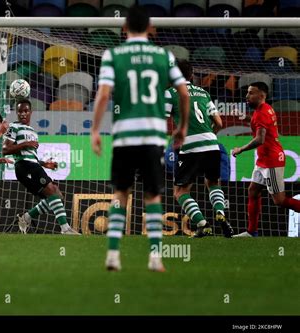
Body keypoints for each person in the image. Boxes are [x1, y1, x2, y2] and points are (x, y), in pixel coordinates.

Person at [91, 5, 190, 272]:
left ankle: (113, 255)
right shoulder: (163, 56)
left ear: (124, 28)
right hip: (153, 137)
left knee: (120, 193)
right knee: (153, 196)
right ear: (150, 28)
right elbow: (184, 93)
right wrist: (181, 128)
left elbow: (102, 95)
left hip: (124, 138)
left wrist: (95, 130)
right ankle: (155, 257)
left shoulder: (113, 54)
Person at [165, 60, 234, 238]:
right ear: (191, 75)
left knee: (180, 191)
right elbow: (219, 122)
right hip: (212, 144)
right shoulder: (203, 93)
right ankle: (221, 213)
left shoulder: (171, 93)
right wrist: (208, 136)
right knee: (213, 183)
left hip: (189, 146)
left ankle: (203, 224)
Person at [232, 81, 300, 237]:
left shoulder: (262, 112)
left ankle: (252, 231)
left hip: (271, 161)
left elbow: (260, 139)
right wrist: (246, 117)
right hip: (263, 160)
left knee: (280, 201)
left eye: (251, 93)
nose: (247, 96)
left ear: (261, 95)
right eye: (247, 92)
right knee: (253, 191)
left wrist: (241, 149)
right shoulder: (263, 109)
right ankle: (251, 232)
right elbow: (259, 125)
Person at [3, 99, 80, 235]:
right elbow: (5, 149)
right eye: (20, 111)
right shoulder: (13, 127)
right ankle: (65, 229)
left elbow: (32, 156)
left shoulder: (33, 131)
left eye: (26, 111)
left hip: (33, 165)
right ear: (17, 113)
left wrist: (45, 164)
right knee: (52, 190)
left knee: (56, 195)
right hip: (23, 166)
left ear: (31, 112)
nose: (23, 114)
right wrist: (24, 144)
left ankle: (26, 218)